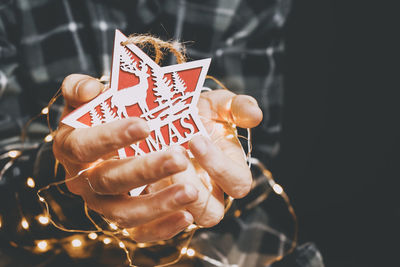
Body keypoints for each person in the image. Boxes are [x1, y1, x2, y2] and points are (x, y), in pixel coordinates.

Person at [0, 0, 324, 266]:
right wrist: (64, 176)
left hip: (231, 252)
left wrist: (215, 176)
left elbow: (254, 157)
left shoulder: (245, 7)